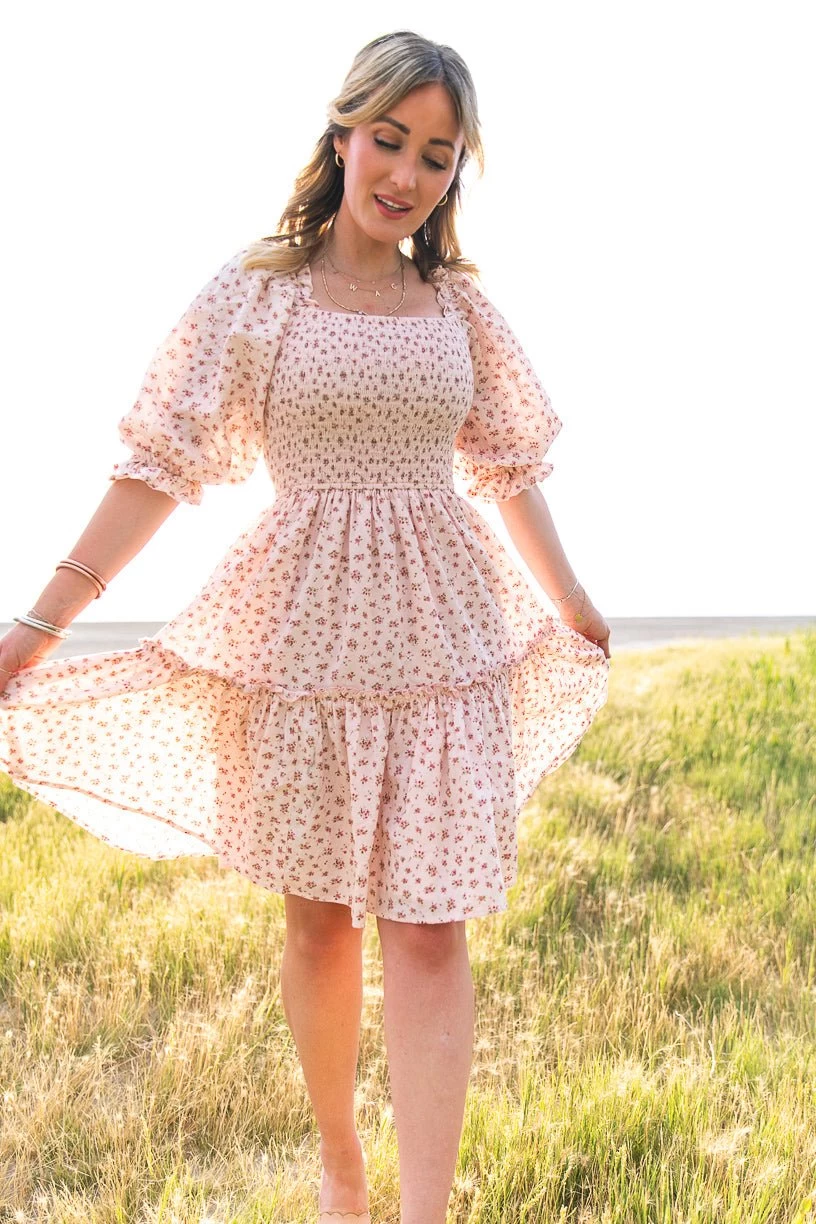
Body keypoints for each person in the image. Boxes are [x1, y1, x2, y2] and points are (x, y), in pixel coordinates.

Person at [0, 29, 611, 1224]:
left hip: (443, 641)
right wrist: (40, 620)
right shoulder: (259, 290)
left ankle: (425, 1211)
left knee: (431, 932)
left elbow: (509, 469)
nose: (408, 173)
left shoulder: (458, 307)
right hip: (303, 644)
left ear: (456, 173)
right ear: (343, 134)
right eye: (390, 139)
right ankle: (342, 1167)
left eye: (437, 155)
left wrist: (574, 604)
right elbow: (158, 466)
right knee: (322, 928)